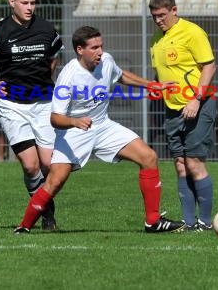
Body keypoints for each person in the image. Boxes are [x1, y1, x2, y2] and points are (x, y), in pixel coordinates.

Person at [13, 26, 185, 234]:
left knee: (148, 156)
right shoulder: (68, 76)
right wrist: (75, 122)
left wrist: (151, 85)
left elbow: (121, 75)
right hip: (74, 132)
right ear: (79, 50)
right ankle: (24, 227)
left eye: (101, 46)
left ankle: (153, 221)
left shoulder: (106, 61)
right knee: (54, 181)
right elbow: (55, 118)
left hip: (103, 126)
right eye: (94, 48)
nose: (100, 52)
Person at [0, 0, 62, 230]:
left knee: (48, 163)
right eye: (24, 2)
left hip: (43, 102)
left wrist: (43, 78)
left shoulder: (47, 29)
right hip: (12, 104)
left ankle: (44, 205)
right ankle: (46, 213)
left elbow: (54, 58)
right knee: (30, 164)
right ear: (12, 2)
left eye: (33, 2)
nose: (29, 7)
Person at [148, 0, 217, 232]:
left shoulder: (192, 32)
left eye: (162, 15)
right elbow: (161, 73)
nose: (158, 20)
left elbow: (209, 66)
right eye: (154, 16)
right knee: (179, 163)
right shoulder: (157, 39)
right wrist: (156, 87)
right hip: (172, 109)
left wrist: (196, 99)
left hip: (199, 105)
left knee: (194, 162)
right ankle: (188, 223)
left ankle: (206, 223)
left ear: (174, 10)